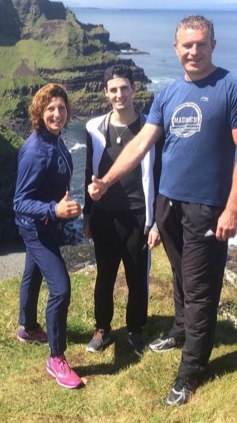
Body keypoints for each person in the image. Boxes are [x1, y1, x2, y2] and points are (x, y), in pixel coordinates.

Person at [88, 15, 237, 406]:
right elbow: (139, 144)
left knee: (200, 290)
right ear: (176, 48)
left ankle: (190, 371)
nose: (193, 51)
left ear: (213, 44)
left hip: (206, 207)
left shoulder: (234, 88)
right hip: (168, 203)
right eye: (186, 45)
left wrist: (232, 210)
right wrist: (107, 180)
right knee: (181, 275)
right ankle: (181, 331)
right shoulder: (167, 94)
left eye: (200, 43)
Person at [83, 64, 161, 356]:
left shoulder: (150, 130)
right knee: (104, 277)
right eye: (113, 89)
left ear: (134, 89)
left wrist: (156, 223)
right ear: (105, 93)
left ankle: (136, 329)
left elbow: (159, 175)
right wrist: (88, 214)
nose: (120, 94)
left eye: (124, 88)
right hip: (104, 217)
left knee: (137, 278)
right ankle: (102, 328)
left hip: (138, 218)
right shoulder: (94, 129)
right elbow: (90, 176)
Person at [13, 83, 83, 389]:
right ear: (39, 113)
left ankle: (27, 328)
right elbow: (19, 201)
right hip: (35, 226)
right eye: (50, 108)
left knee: (33, 273)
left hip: (45, 222)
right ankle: (56, 359)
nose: (57, 113)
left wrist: (61, 207)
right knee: (61, 289)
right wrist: (55, 209)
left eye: (62, 108)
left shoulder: (55, 140)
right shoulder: (35, 151)